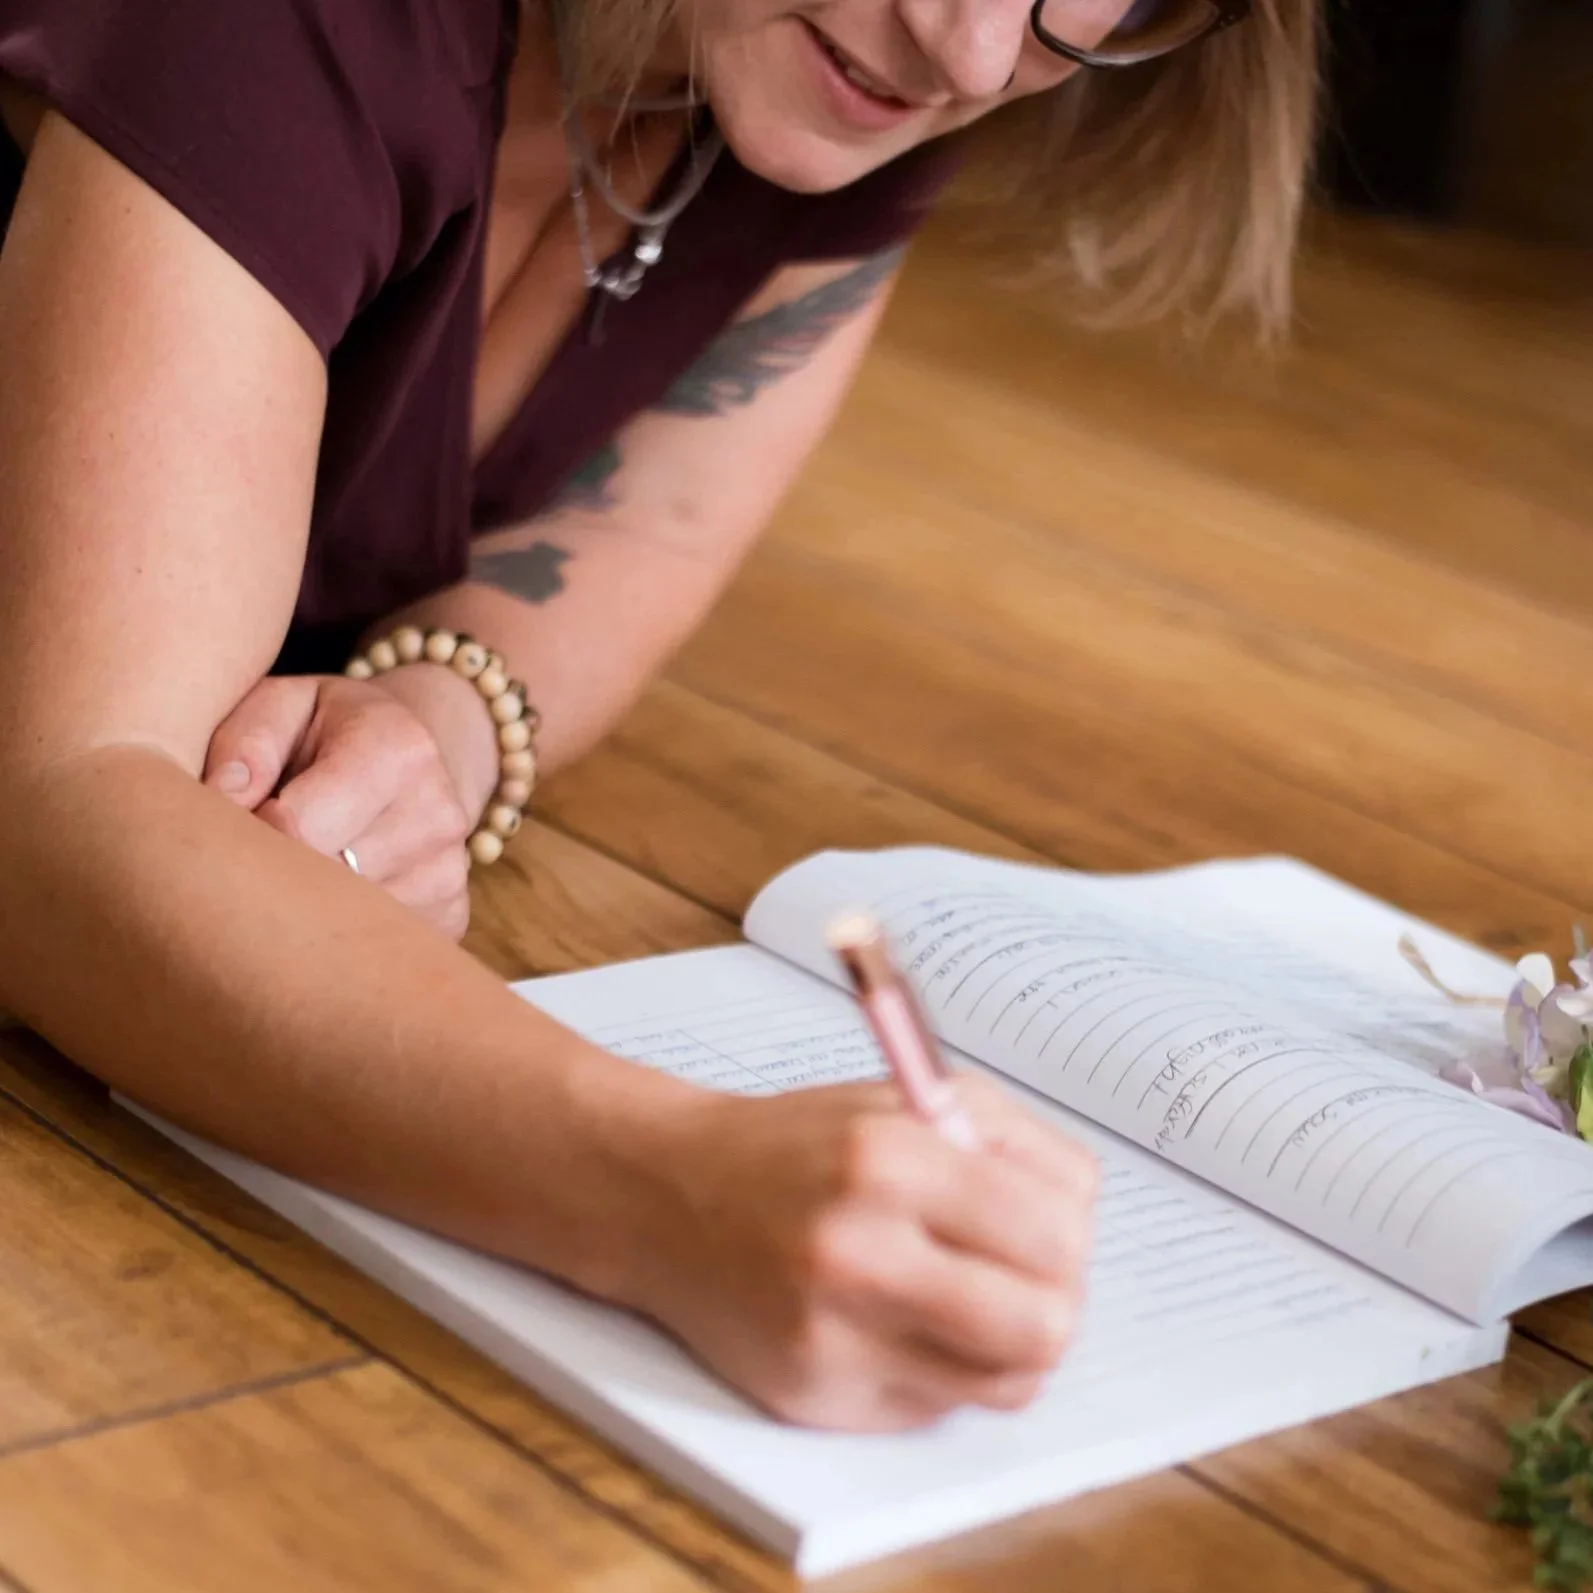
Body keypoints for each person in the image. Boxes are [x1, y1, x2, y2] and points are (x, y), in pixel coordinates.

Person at [0, 0, 1318, 1431]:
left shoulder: (819, 68)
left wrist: (437, 723)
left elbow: (652, 525)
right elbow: (65, 820)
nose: (979, 59)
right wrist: (667, 1193)